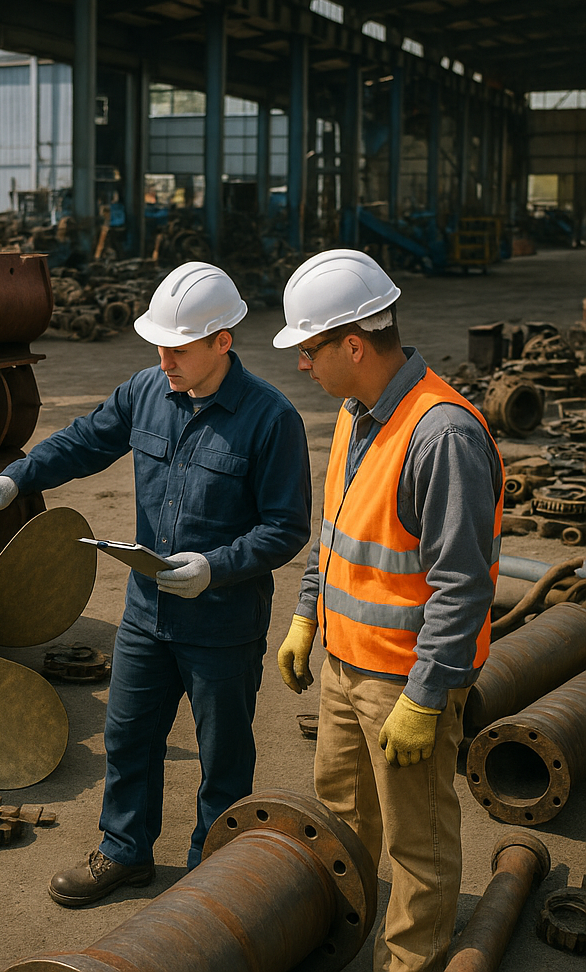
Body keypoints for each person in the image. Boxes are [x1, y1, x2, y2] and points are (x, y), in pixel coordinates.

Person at [0, 261, 311, 905]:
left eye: (177, 348)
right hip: (147, 616)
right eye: (158, 346)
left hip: (222, 624)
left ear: (222, 341)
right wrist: (15, 479)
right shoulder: (146, 390)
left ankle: (216, 870)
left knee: (222, 757)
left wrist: (214, 568)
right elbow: (85, 441)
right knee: (128, 737)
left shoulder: (270, 419)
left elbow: (285, 529)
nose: (164, 360)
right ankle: (125, 852)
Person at [272, 249, 503, 972]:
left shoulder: (442, 434)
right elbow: (338, 532)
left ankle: (409, 963)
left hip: (404, 686)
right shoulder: (357, 413)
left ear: (352, 343)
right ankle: (344, 939)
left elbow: (461, 586)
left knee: (418, 844)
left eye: (309, 349)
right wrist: (308, 615)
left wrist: (427, 696)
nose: (302, 365)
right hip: (346, 669)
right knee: (340, 826)